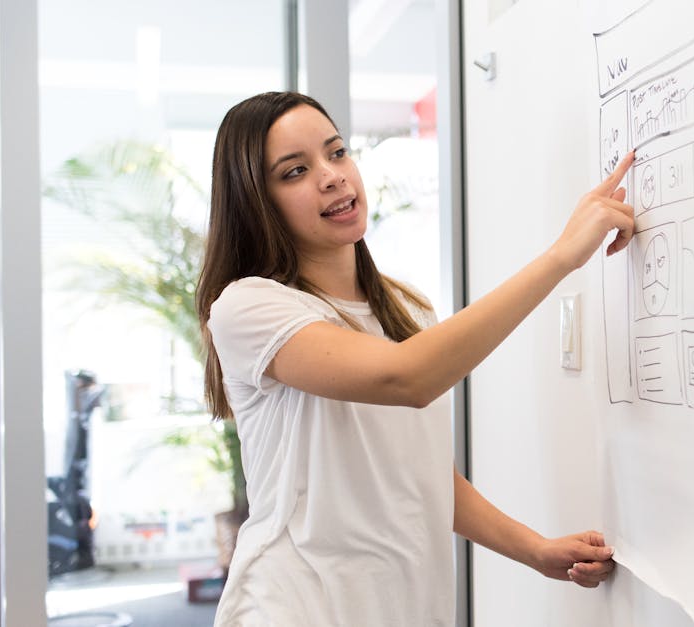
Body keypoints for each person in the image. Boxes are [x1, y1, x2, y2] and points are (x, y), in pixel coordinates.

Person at [195, 91, 636, 626]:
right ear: (255, 201)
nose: (332, 176)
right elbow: (406, 377)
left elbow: (421, 477)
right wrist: (562, 256)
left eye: (337, 153)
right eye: (294, 171)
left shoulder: (406, 308)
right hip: (297, 607)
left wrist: (534, 550)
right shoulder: (248, 306)